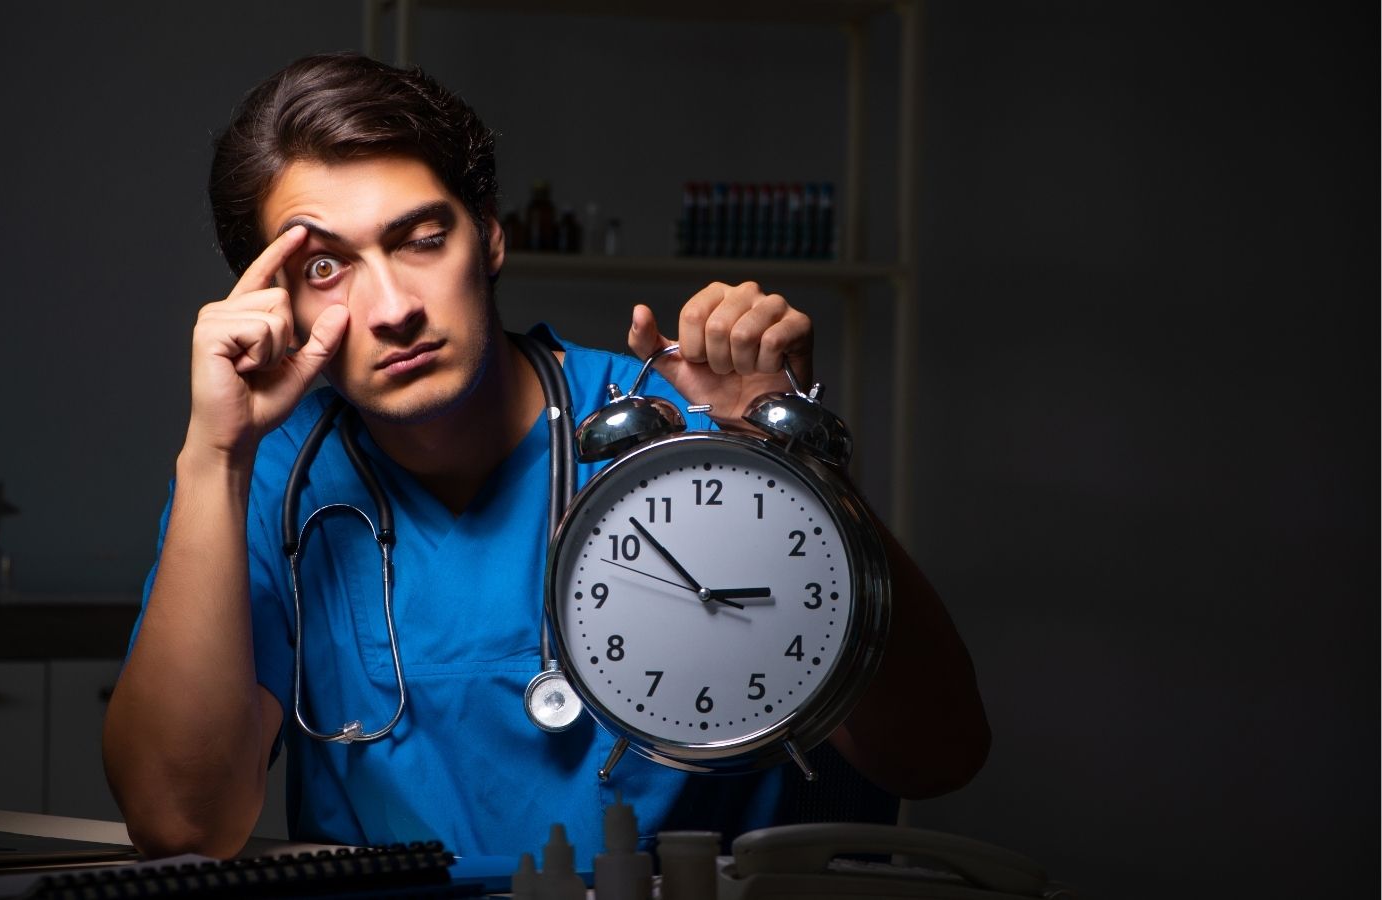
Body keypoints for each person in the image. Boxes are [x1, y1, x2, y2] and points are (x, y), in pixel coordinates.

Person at [102, 52, 989, 862]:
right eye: (326, 268)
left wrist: (792, 468)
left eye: (420, 239)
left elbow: (938, 754)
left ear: (488, 237)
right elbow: (183, 823)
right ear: (273, 300)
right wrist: (212, 453)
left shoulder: (690, 434)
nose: (392, 308)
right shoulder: (268, 480)